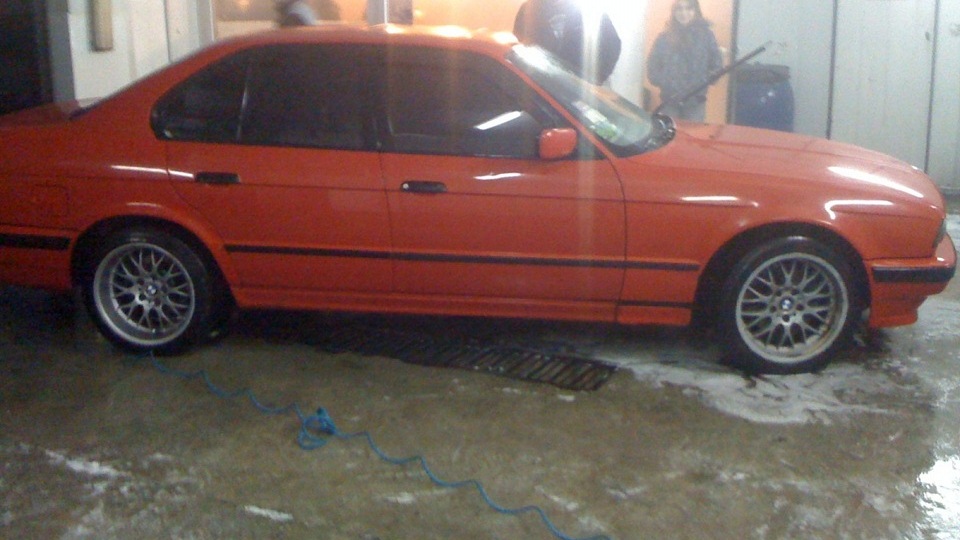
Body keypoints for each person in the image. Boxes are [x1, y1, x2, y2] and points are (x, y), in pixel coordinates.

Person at [647, 0, 722, 122]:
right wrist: (666, 83)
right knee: (670, 132)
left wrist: (703, 81)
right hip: (670, 101)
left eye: (688, 9)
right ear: (674, 12)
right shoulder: (664, 38)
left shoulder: (707, 36)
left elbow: (716, 64)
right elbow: (652, 66)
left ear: (696, 11)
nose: (684, 13)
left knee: (693, 133)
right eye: (679, 9)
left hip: (696, 103)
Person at [513, 0, 621, 85]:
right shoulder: (529, 9)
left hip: (581, 89)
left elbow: (612, 45)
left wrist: (595, 80)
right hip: (540, 86)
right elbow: (519, 41)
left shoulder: (590, 10)